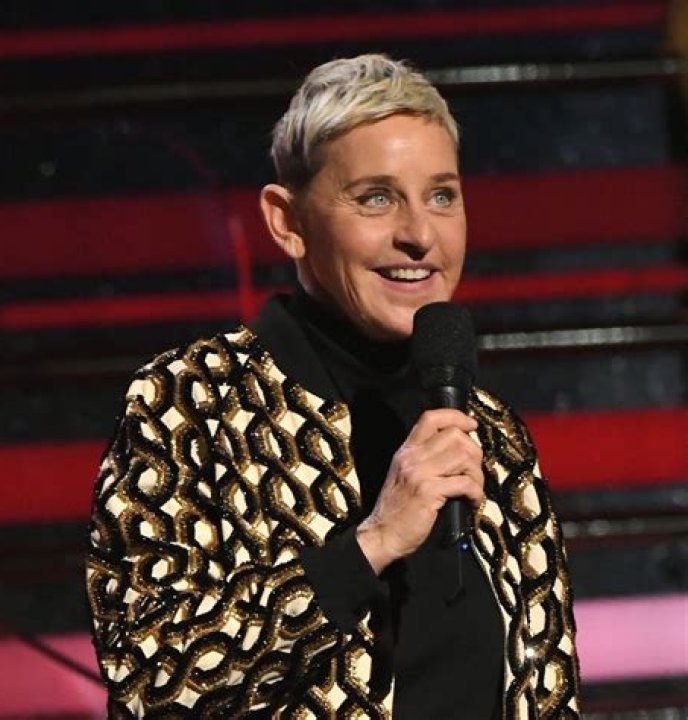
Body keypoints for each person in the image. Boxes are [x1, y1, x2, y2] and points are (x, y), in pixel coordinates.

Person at [86, 54, 581, 718]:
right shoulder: (190, 405)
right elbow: (150, 681)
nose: (419, 234)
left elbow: (548, 688)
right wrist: (372, 545)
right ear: (287, 222)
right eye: (376, 198)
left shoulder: (488, 429)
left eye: (441, 195)